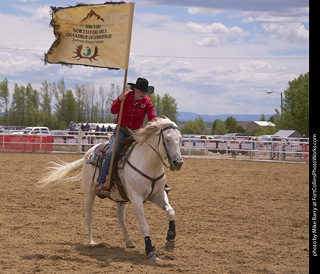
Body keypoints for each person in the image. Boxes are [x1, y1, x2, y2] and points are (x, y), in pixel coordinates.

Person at [96, 77, 156, 198]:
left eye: (145, 91)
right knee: (111, 152)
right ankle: (102, 182)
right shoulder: (124, 97)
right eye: (141, 91)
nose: (143, 94)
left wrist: (154, 126)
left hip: (137, 133)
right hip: (121, 131)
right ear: (135, 89)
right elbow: (113, 111)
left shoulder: (147, 102)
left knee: (151, 152)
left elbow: (152, 118)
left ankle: (158, 183)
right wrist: (119, 100)